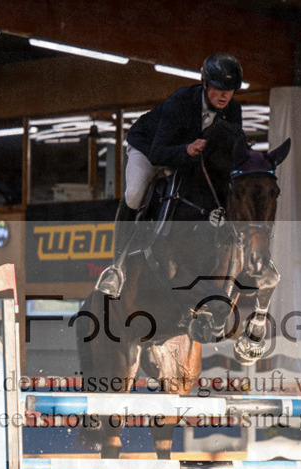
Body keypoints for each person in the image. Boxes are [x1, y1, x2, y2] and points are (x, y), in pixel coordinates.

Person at [95, 53, 244, 298]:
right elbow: (157, 153)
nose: (225, 95)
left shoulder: (233, 110)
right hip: (149, 149)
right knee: (134, 193)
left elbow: (232, 149)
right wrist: (185, 149)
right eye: (218, 88)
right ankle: (117, 265)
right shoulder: (182, 101)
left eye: (230, 90)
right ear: (205, 84)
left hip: (190, 158)